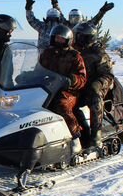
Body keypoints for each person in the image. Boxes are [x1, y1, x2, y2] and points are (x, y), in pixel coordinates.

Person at [38, 24, 88, 153]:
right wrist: (26, 76)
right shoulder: (47, 53)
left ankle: (76, 138)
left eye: (61, 38)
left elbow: (82, 78)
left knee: (61, 105)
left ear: (68, 40)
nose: (58, 40)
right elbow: (39, 70)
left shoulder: (74, 56)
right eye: (56, 38)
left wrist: (71, 80)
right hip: (48, 88)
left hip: (68, 91)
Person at [73, 2, 116, 148]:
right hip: (80, 84)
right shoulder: (75, 51)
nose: (77, 39)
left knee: (94, 94)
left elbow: (108, 75)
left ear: (88, 38)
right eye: (76, 36)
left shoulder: (98, 53)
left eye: (80, 37)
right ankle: (81, 131)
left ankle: (96, 134)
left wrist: (97, 84)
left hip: (98, 83)